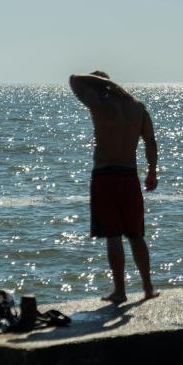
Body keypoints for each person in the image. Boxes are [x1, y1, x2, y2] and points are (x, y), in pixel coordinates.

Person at [69, 71, 159, 305]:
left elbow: (74, 78)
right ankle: (148, 288)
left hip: (105, 174)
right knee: (136, 235)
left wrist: (105, 83)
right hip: (129, 176)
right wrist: (152, 171)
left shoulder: (99, 103)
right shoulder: (137, 107)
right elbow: (150, 141)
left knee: (113, 235)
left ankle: (120, 291)